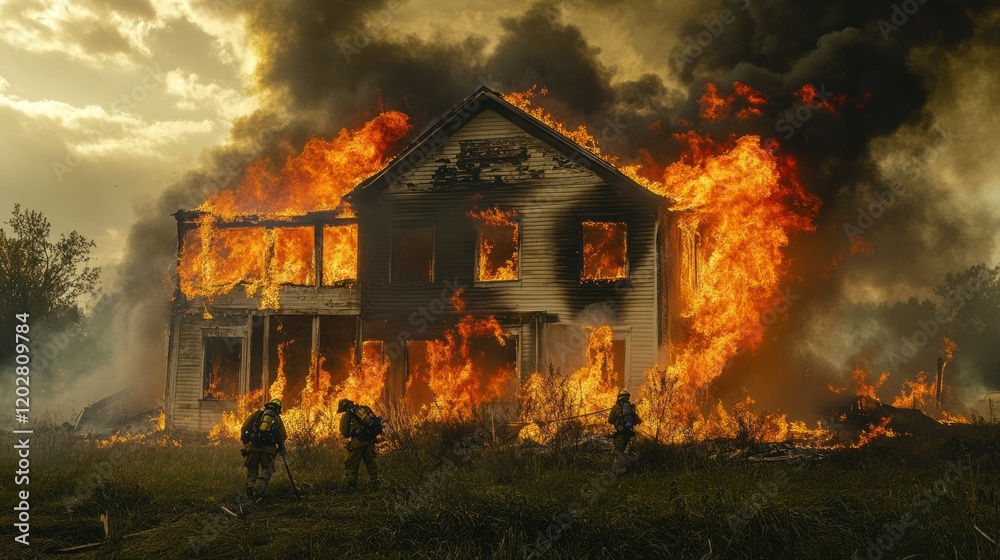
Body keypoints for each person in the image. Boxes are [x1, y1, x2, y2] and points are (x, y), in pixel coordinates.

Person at [240, 398, 287, 499]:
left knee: (252, 469)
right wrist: (281, 448)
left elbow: (245, 427)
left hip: (253, 447)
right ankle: (258, 492)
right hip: (268, 449)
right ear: (278, 409)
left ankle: (250, 489)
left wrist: (246, 442)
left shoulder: (257, 414)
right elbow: (282, 436)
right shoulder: (277, 418)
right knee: (267, 469)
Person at [338, 398, 380, 489]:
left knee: (351, 463)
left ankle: (351, 485)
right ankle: (375, 482)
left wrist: (352, 432)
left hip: (358, 442)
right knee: (370, 461)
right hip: (370, 439)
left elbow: (344, 432)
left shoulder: (347, 414)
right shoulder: (364, 409)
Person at [607, 389, 641, 475]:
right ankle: (615, 471)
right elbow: (637, 421)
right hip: (627, 433)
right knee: (621, 450)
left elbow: (610, 420)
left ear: (619, 398)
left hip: (620, 433)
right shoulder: (630, 408)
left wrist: (618, 420)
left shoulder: (616, 407)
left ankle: (620, 473)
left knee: (619, 452)